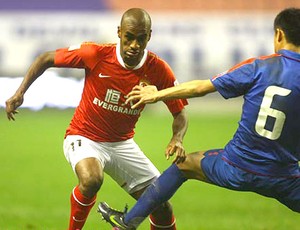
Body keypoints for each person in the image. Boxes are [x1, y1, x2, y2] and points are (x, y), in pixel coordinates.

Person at [98, 7, 300, 230]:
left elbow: (200, 88)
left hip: (236, 166)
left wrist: (157, 94)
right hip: (285, 177)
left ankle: (127, 224)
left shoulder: (259, 67)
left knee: (182, 166)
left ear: (279, 34)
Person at [5, 8, 188, 230]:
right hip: (84, 136)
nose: (134, 45)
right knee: (91, 179)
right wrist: (20, 92)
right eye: (129, 37)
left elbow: (179, 112)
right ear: (119, 32)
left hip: (122, 143)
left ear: (149, 36)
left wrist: (177, 137)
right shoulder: (97, 54)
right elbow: (46, 58)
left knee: (161, 205)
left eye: (141, 39)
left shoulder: (159, 70)